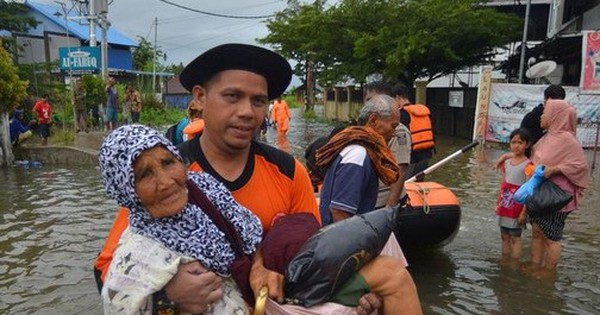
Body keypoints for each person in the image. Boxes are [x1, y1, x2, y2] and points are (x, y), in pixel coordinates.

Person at [95, 44, 419, 315]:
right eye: (232, 97)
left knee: (388, 281)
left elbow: (313, 248)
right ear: (199, 98)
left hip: (282, 300)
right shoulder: (170, 176)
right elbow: (108, 272)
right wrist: (169, 297)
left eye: (259, 101)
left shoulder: (288, 170)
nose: (248, 112)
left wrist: (362, 293)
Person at [98, 124, 262, 314]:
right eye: (144, 175)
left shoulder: (205, 189)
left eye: (168, 163)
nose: (166, 182)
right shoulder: (137, 256)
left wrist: (259, 267)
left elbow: (250, 234)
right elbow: (119, 306)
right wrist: (166, 300)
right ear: (126, 191)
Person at [317, 94, 401, 225]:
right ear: (373, 120)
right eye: (393, 126)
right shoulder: (357, 155)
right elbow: (339, 211)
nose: (394, 133)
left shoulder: (359, 148)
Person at [527, 99, 588, 271]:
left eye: (545, 112)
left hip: (556, 197)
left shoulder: (567, 139)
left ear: (555, 115)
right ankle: (534, 265)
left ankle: (548, 273)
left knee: (551, 238)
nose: (541, 116)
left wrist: (554, 169)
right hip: (539, 194)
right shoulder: (548, 137)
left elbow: (579, 166)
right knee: (537, 232)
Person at [495, 85, 566, 169]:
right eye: (555, 103)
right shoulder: (532, 118)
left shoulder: (563, 119)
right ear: (545, 100)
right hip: (534, 164)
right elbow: (522, 146)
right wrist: (507, 157)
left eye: (560, 103)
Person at [365, 82, 412, 209]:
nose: (367, 105)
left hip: (382, 202)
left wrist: (390, 207)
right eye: (366, 100)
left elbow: (400, 170)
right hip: (368, 199)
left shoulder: (398, 131)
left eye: (371, 100)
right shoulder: (366, 131)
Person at [495, 128, 534, 260]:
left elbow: (529, 189)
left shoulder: (528, 165)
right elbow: (503, 184)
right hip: (505, 202)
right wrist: (497, 203)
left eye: (520, 142)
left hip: (518, 204)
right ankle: (505, 260)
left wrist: (524, 211)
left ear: (527, 145)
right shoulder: (506, 162)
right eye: (513, 142)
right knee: (504, 235)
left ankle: (514, 263)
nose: (516, 145)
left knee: (515, 237)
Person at [391, 85, 435, 181]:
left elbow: (399, 136)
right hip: (426, 154)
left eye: (392, 100)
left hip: (411, 157)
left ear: (398, 97)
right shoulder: (422, 111)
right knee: (419, 182)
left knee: (406, 183)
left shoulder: (402, 114)